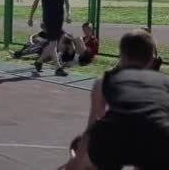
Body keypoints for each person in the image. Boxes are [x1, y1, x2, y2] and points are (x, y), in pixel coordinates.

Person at [59, 29, 168, 170]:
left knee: (100, 144)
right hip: (158, 138)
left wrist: (75, 163)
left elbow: (92, 126)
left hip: (114, 138)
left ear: (120, 56)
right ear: (152, 60)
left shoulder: (103, 82)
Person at [28, 0, 72, 76]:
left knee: (54, 43)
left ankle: (39, 62)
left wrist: (69, 14)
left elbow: (67, 2)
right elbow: (35, 2)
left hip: (59, 18)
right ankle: (58, 68)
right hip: (48, 19)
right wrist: (30, 17)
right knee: (53, 43)